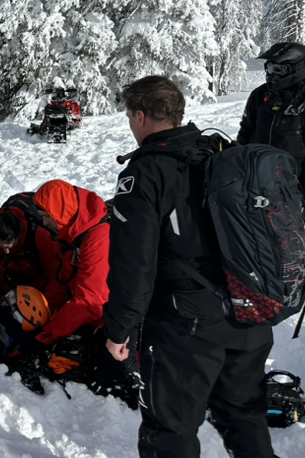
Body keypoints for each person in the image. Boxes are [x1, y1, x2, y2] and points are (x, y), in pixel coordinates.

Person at [106, 75, 275, 458]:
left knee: (170, 429)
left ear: (141, 117)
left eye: (131, 116)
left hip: (188, 325)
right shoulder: (221, 152)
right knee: (244, 416)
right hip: (250, 311)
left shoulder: (145, 173)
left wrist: (120, 329)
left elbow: (134, 265)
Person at [0, 182, 110, 382]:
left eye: (47, 217)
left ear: (62, 213)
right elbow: (61, 281)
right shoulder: (74, 238)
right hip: (22, 303)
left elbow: (88, 302)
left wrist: (45, 334)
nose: (45, 223)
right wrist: (42, 317)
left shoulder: (95, 241)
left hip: (101, 322)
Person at [238, 42, 305, 207]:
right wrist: (236, 161)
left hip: (290, 181)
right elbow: (246, 131)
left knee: (285, 229)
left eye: (279, 69)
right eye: (269, 67)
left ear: (297, 68)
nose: (271, 74)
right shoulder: (259, 95)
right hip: (254, 175)